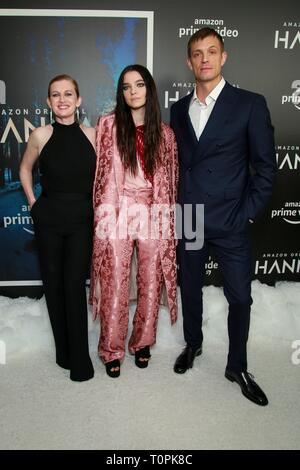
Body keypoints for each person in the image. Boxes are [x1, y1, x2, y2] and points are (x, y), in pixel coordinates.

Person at [170, 28, 276, 406]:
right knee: (191, 287)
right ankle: (193, 345)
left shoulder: (249, 104)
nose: (205, 59)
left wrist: (246, 214)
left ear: (224, 56)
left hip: (231, 218)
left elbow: (265, 169)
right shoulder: (178, 109)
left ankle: (238, 366)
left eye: (212, 51)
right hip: (192, 217)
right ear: (189, 61)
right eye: (197, 53)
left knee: (240, 297)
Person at [90, 64, 178, 378]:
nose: (133, 92)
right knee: (114, 279)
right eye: (126, 87)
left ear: (149, 89)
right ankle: (111, 349)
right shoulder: (108, 125)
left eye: (139, 85)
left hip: (153, 210)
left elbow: (171, 180)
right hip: (117, 209)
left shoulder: (165, 133)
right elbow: (100, 174)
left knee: (151, 280)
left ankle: (142, 342)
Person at [20, 74, 96, 381]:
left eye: (68, 94)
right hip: (48, 218)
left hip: (81, 219)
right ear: (49, 102)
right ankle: (62, 354)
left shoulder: (93, 134)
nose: (62, 99)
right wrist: (33, 203)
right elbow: (25, 169)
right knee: (53, 287)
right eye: (56, 95)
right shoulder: (40, 134)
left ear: (78, 100)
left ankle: (80, 361)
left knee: (74, 287)